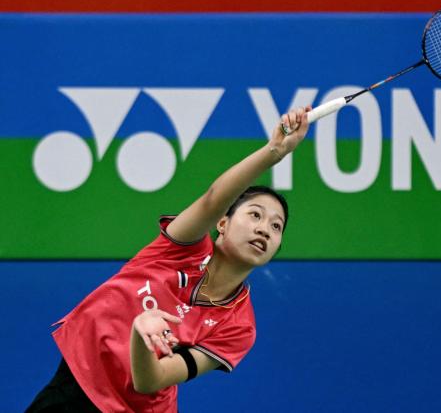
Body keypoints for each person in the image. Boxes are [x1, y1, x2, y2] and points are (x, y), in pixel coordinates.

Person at [26, 106, 313, 412]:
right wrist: (274, 152)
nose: (263, 229)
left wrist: (139, 334)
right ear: (222, 224)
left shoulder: (240, 326)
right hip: (80, 378)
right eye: (255, 214)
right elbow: (214, 197)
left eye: (276, 226)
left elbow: (150, 381)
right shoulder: (182, 248)